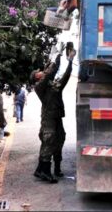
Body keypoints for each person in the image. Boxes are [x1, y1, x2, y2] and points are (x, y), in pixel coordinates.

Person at [30, 48, 76, 183]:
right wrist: (56, 57)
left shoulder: (52, 85)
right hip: (48, 118)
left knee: (60, 138)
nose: (41, 72)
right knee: (49, 140)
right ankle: (45, 171)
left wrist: (70, 62)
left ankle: (50, 168)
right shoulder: (39, 86)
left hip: (57, 117)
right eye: (38, 72)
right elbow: (50, 72)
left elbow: (65, 78)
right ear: (36, 77)